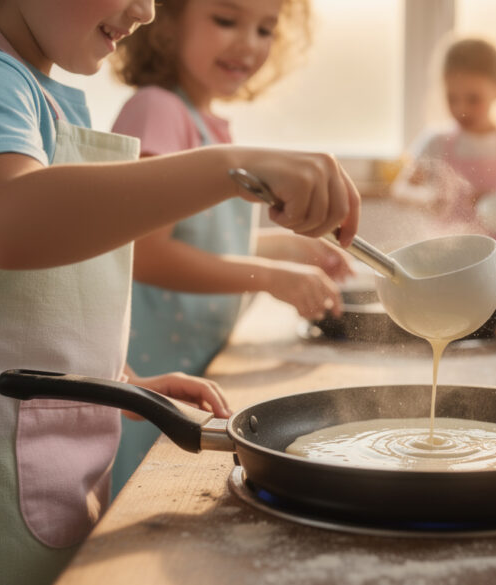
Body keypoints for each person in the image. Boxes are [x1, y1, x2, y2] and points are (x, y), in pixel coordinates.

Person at [0, 0, 360, 583]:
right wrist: (230, 166)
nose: (146, 10)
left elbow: (35, 304)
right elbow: (12, 224)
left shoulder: (32, 89)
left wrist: (123, 383)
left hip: (34, 438)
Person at [108, 0, 351, 495]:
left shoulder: (206, 122)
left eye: (266, 29)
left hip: (196, 365)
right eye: (226, 20)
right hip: (152, 380)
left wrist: (287, 250)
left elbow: (202, 238)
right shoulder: (157, 109)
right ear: (166, 21)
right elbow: (146, 254)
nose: (249, 44)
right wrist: (269, 277)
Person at [391, 37, 496, 243]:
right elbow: (400, 189)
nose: (461, 110)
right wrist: (427, 199)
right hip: (446, 257)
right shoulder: (435, 143)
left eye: (473, 99)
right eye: (452, 98)